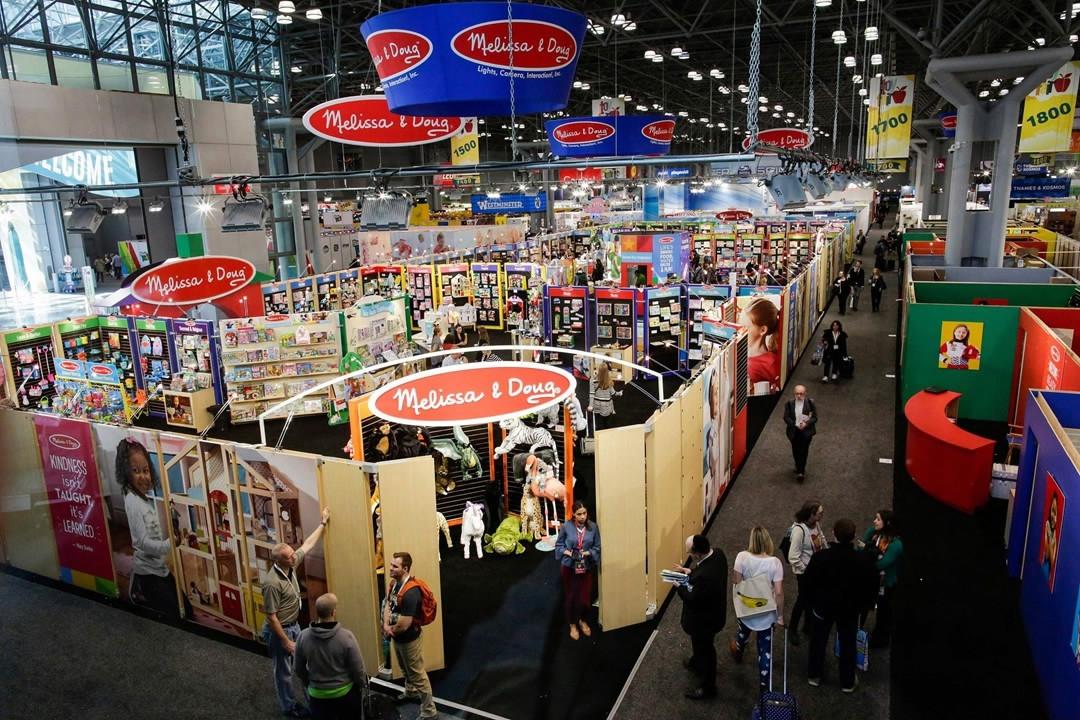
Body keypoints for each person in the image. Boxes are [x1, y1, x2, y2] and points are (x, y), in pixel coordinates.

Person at [263, 507, 331, 718]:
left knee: (305, 665)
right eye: (289, 557)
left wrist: (323, 523)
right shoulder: (272, 583)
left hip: (294, 626)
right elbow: (271, 617)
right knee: (283, 671)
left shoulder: (291, 564)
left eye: (293, 554)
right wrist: (285, 641)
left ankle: (313, 702)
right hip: (280, 631)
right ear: (279, 561)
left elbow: (308, 544)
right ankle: (289, 707)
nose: (294, 558)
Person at [805, 518, 879, 692]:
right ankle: (847, 682)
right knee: (848, 644)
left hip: (823, 607)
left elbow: (809, 582)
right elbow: (871, 584)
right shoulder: (862, 560)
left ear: (833, 533)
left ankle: (814, 675)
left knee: (818, 641)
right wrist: (865, 605)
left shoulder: (820, 557)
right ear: (853, 536)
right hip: (849, 610)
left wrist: (813, 603)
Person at [116, 438, 182, 621]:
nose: (143, 477)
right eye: (135, 471)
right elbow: (143, 542)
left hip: (159, 567)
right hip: (148, 572)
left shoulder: (143, 499)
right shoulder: (134, 502)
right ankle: (137, 586)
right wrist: (168, 544)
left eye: (146, 471)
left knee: (185, 609)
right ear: (125, 472)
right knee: (174, 614)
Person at [729, 526, 785, 694]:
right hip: (766, 613)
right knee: (765, 649)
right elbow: (779, 593)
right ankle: (764, 687)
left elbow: (736, 582)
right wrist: (780, 616)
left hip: (747, 609)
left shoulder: (742, 557)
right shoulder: (775, 563)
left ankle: (738, 649)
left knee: (743, 631)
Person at [672, 534, 728, 700]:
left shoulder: (705, 577)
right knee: (700, 646)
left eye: (690, 553)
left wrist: (679, 586)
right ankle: (696, 663)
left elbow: (692, 598)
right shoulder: (718, 554)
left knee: (706, 650)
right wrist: (690, 572)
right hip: (715, 613)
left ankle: (708, 688)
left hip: (704, 622)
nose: (689, 556)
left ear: (697, 553)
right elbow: (703, 571)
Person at [383, 552, 438, 719]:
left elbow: (405, 624)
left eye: (395, 566)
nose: (390, 568)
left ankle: (429, 711)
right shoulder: (394, 584)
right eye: (391, 564)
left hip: (409, 639)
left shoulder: (411, 593)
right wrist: (386, 625)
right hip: (397, 636)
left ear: (405, 568)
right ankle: (411, 692)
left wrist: (390, 631)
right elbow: (388, 605)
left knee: (417, 674)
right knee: (404, 668)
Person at [295, 593, 367, 720]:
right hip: (345, 695)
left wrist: (310, 683)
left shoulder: (303, 636)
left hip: (317, 697)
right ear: (333, 612)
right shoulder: (346, 637)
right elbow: (358, 669)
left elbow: (298, 668)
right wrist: (361, 685)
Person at [554, 501, 601, 640]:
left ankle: (583, 620)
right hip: (569, 566)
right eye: (579, 514)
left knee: (585, 598)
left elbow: (597, 547)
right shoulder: (566, 527)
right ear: (573, 514)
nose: (582, 516)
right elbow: (559, 545)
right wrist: (569, 553)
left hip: (586, 567)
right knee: (571, 597)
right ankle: (572, 624)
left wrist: (586, 553)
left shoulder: (593, 527)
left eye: (584, 513)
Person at [786, 501, 829, 645]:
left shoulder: (815, 524)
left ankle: (807, 626)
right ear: (811, 514)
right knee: (802, 600)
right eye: (819, 513)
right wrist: (807, 570)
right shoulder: (799, 531)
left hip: (815, 570)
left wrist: (827, 552)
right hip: (805, 573)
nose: (822, 515)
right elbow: (793, 557)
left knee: (812, 598)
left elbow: (821, 538)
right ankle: (792, 629)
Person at [860, 509, 903, 648]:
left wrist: (866, 554)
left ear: (888, 523)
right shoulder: (873, 533)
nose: (874, 521)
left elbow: (881, 564)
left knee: (884, 613)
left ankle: (880, 639)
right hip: (870, 580)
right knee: (863, 606)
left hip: (885, 583)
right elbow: (860, 549)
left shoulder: (896, 544)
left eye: (878, 519)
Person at [740, 296, 781, 394]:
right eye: (739, 325)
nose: (740, 331)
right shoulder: (740, 354)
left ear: (762, 330)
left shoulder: (771, 364)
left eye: (745, 327)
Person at [783, 385, 817, 482]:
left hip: (806, 432)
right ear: (794, 394)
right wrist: (795, 424)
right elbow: (786, 417)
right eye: (797, 393)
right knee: (796, 450)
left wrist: (806, 423)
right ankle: (798, 465)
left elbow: (815, 417)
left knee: (804, 451)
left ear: (805, 394)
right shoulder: (789, 403)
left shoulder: (810, 403)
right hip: (794, 431)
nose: (799, 396)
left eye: (801, 394)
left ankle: (801, 471)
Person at [588, 362, 622, 431]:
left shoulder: (593, 380)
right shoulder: (609, 381)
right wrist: (619, 393)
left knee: (598, 424)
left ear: (599, 370)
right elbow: (613, 393)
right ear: (607, 371)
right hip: (607, 406)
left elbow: (591, 394)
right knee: (607, 424)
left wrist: (590, 405)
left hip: (596, 405)